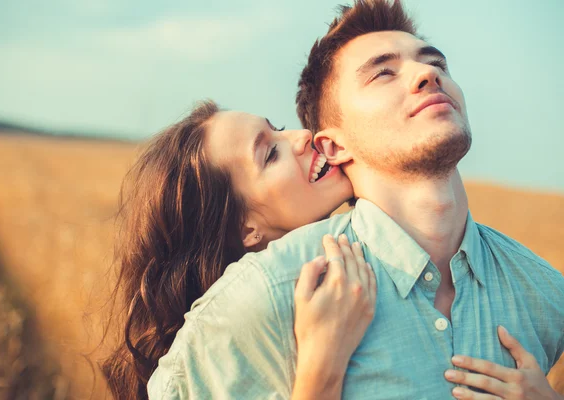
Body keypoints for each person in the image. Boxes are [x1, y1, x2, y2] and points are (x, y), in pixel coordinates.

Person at [147, 0, 564, 399]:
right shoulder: (270, 293)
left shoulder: (544, 292)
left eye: (436, 63)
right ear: (332, 146)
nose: (426, 74)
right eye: (383, 73)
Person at [101, 100, 379, 399]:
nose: (303, 136)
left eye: (279, 130)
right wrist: (322, 361)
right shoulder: (218, 352)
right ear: (246, 228)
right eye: (271, 154)